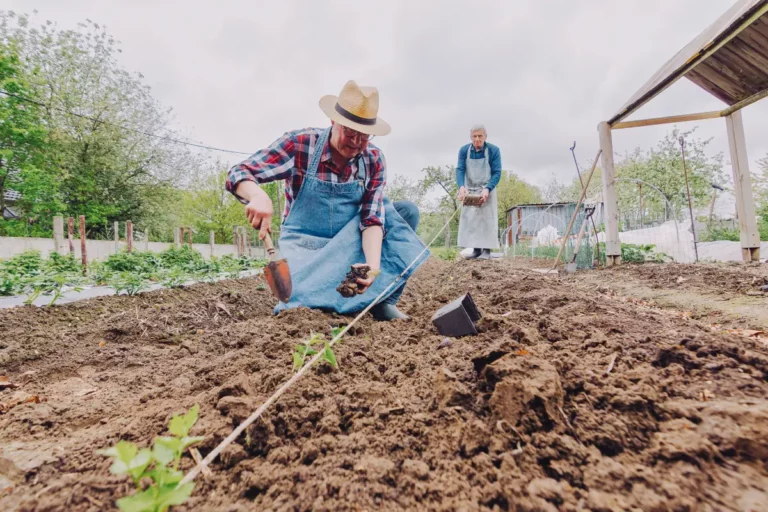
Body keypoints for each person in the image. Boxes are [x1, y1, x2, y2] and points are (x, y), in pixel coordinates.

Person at [226, 80, 428, 321]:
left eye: (363, 136)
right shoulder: (300, 144)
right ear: (334, 121)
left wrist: (372, 267)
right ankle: (322, 295)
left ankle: (381, 299)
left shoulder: (373, 158)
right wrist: (257, 195)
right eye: (350, 132)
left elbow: (372, 218)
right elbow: (240, 172)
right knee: (296, 302)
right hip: (306, 245)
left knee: (404, 212)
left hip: (349, 240)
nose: (355, 143)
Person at [456, 124, 501, 260]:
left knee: (487, 219)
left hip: (486, 188)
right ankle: (476, 250)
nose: (477, 139)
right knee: (471, 219)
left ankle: (486, 250)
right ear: (471, 137)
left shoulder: (494, 150)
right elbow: (460, 169)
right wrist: (461, 187)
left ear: (485, 137)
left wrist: (488, 188)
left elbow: (497, 172)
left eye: (480, 136)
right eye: (474, 136)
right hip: (470, 188)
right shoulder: (464, 150)